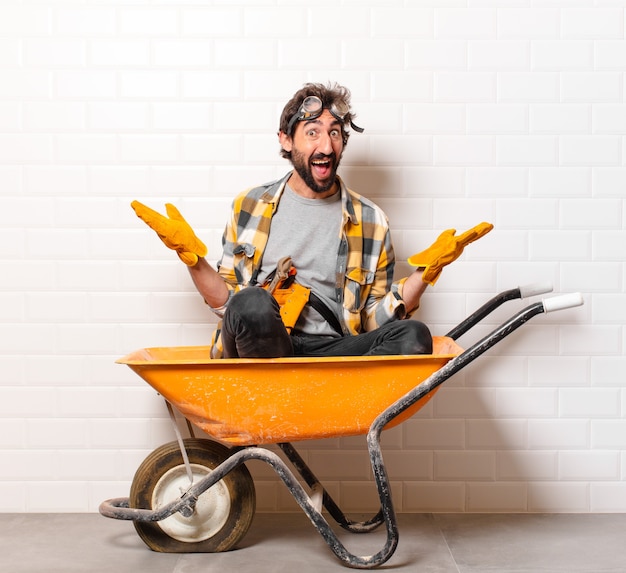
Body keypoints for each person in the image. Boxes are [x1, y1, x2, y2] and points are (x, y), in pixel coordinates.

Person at [132, 82, 492, 359]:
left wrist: (422, 275)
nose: (326, 144)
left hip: (331, 355)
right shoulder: (250, 205)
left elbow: (372, 320)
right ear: (286, 141)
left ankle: (339, 401)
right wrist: (192, 259)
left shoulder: (371, 221)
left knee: (414, 335)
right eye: (313, 132)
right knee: (251, 303)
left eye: (334, 132)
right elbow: (230, 305)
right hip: (266, 349)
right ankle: (278, 387)